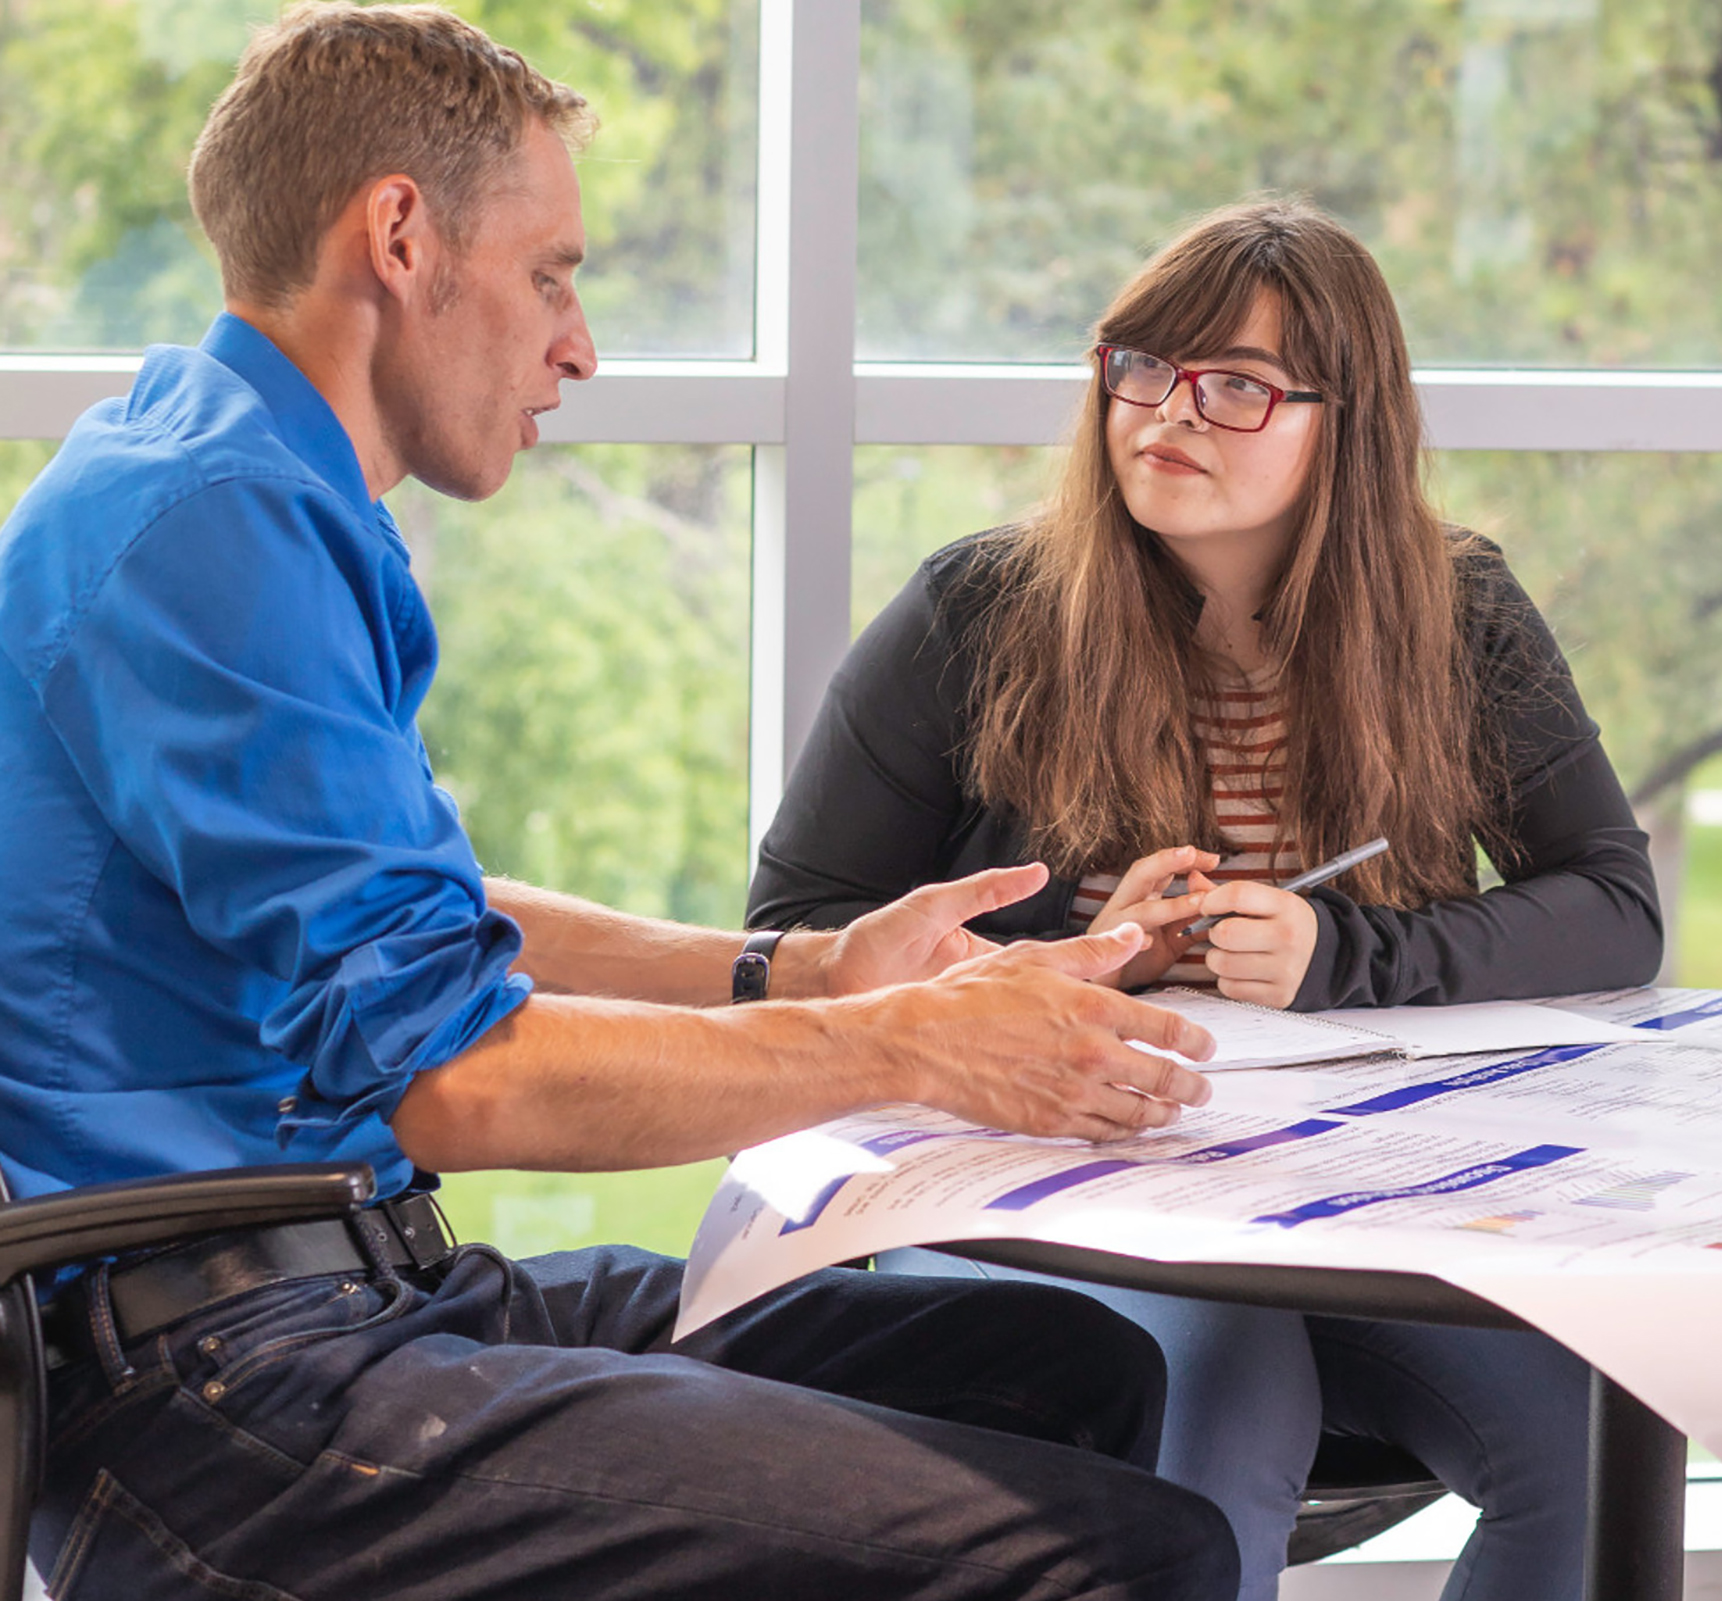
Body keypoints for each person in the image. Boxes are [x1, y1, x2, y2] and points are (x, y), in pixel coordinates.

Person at [0, 6, 1241, 1598]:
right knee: (1138, 1555)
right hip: (231, 1400)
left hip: (355, 1306)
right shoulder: (216, 524)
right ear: (398, 235)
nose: (576, 343)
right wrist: (917, 1046)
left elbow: (431, 925)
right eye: (550, 274)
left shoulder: (231, 474)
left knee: (1057, 1368)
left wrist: (798, 970)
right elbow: (466, 1082)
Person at [748, 198, 1666, 1601]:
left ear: (1342, 424)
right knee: (1228, 1388)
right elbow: (791, 936)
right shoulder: (980, 613)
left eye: (1236, 384)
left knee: (1597, 1441)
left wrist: (1344, 949)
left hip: (1348, 1195)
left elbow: (1613, 905)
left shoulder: (1455, 610)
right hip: (1045, 1183)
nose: (1167, 413)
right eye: (1144, 367)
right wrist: (1075, 961)